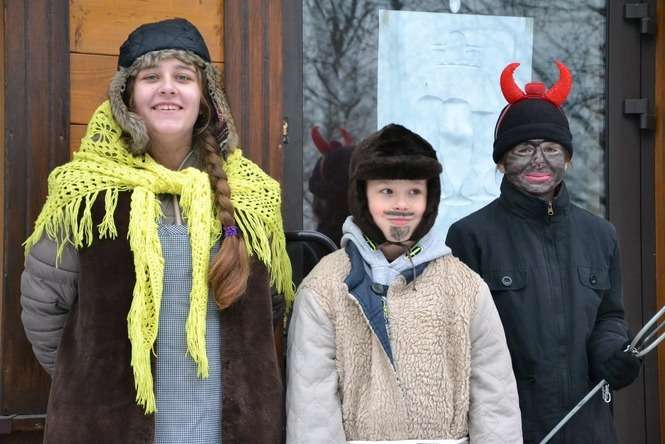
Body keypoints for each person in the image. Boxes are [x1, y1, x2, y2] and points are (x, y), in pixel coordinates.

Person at [20, 18, 292, 443]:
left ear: (205, 97)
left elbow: (269, 307)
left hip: (229, 430)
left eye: (183, 77)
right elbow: (44, 309)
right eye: (151, 77)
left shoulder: (251, 196)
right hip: (109, 429)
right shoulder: (84, 194)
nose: (167, 88)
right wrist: (93, 384)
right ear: (127, 96)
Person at [286, 124, 522, 443]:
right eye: (387, 191)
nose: (401, 205)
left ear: (430, 199)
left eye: (414, 192)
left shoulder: (466, 288)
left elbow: (496, 408)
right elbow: (312, 415)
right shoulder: (324, 288)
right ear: (362, 195)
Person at [446, 61, 642, 444]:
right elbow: (457, 342)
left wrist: (611, 352)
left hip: (589, 428)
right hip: (510, 428)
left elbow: (609, 315)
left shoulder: (600, 235)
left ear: (567, 158)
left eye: (551, 148)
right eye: (523, 149)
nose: (539, 160)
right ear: (502, 161)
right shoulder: (470, 237)